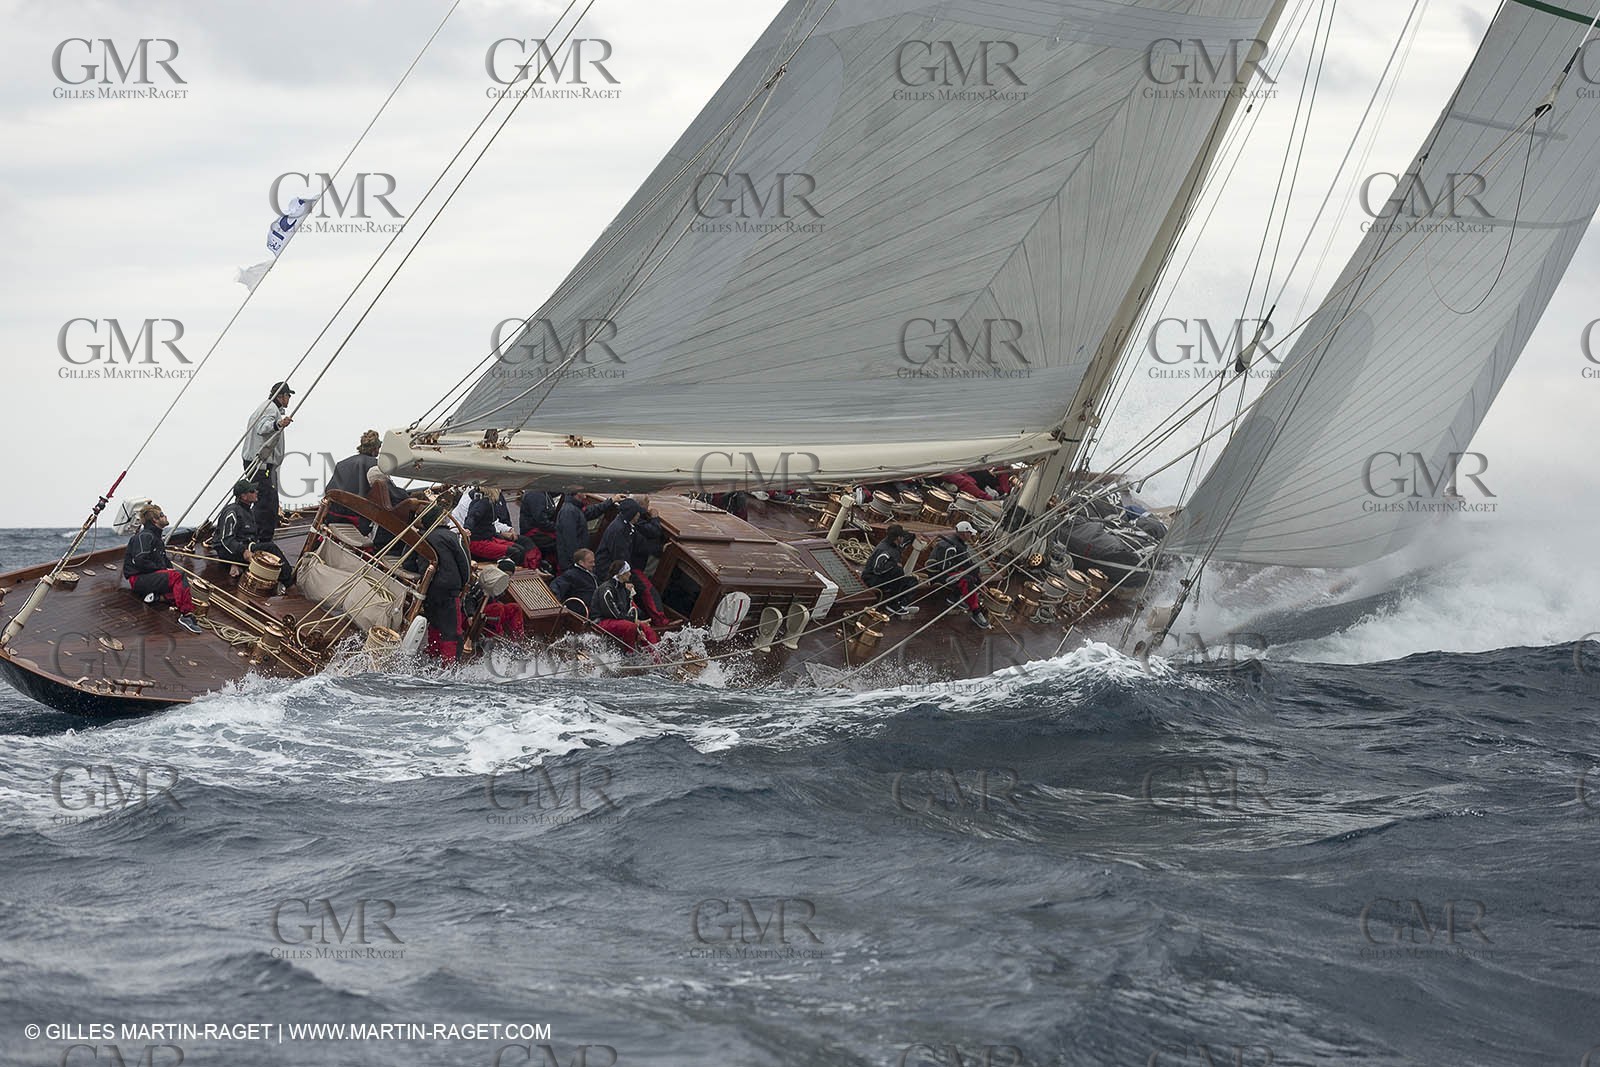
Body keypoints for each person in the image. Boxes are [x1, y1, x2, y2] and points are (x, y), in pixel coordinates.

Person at [123, 504, 203, 634]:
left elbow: (164, 562)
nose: (165, 516)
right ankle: (186, 616)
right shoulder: (145, 536)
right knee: (179, 576)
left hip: (149, 577)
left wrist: (167, 570)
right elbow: (140, 561)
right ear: (154, 520)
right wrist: (167, 571)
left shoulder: (157, 538)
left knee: (182, 588)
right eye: (161, 515)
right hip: (138, 579)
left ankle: (156, 597)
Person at [596, 498, 669, 626]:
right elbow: (619, 556)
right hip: (614, 570)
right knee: (646, 589)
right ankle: (659, 622)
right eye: (637, 514)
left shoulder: (627, 526)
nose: (639, 516)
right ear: (632, 515)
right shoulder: (619, 530)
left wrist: (658, 549)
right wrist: (627, 580)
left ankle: (640, 620)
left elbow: (639, 546)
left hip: (622, 569)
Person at [213, 478, 294, 588]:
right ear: (244, 496)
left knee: (268, 550)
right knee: (271, 547)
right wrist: (244, 551)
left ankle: (237, 565)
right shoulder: (231, 512)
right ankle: (290, 581)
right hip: (229, 551)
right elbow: (227, 540)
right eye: (252, 491)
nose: (256, 492)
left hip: (245, 546)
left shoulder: (248, 511)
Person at [418, 504, 472, 665]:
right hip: (449, 590)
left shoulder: (421, 538)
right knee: (451, 631)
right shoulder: (452, 537)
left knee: (434, 626)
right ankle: (449, 668)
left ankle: (431, 660)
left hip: (429, 590)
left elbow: (409, 563)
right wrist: (464, 584)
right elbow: (465, 565)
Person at [242, 381, 294, 542]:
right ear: (281, 396)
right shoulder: (271, 410)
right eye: (288, 395)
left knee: (261, 501)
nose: (289, 399)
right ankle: (262, 541)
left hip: (256, 462)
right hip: (260, 465)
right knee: (267, 504)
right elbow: (262, 428)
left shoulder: (266, 407)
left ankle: (255, 535)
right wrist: (278, 424)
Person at [325, 430, 404, 529]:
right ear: (375, 448)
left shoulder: (341, 464)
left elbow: (329, 489)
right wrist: (405, 496)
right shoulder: (375, 466)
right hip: (355, 518)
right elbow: (389, 491)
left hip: (332, 514)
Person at [928, 521, 990, 629]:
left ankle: (954, 598)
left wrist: (978, 580)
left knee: (971, 573)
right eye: (970, 533)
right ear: (964, 533)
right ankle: (976, 611)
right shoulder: (955, 546)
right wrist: (978, 582)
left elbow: (967, 565)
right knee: (968, 580)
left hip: (943, 573)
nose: (971, 535)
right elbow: (956, 567)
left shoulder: (955, 542)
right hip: (941, 576)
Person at [591, 561, 659, 650]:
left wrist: (639, 625)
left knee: (647, 630)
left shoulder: (624, 589)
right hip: (602, 621)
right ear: (621, 574)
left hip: (620, 620)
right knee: (631, 626)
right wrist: (634, 621)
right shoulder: (606, 589)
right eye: (628, 572)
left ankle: (654, 656)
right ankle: (629, 654)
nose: (630, 574)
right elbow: (613, 614)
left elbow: (628, 610)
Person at [861, 524, 920, 617]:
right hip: (872, 578)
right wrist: (894, 565)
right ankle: (892, 604)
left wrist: (916, 536)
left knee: (912, 581)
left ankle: (902, 604)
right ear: (898, 538)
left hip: (882, 577)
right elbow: (877, 569)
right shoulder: (884, 550)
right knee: (898, 572)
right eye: (902, 536)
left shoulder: (894, 544)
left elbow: (908, 539)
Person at [554, 489, 616, 574]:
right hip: (572, 565)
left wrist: (611, 501)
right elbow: (570, 541)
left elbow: (590, 512)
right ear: (577, 493)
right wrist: (579, 563)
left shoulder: (575, 508)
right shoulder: (569, 512)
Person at [466, 488, 533, 566]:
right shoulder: (482, 503)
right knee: (515, 552)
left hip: (488, 537)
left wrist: (508, 529)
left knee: (521, 549)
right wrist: (467, 528)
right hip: (478, 542)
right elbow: (472, 517)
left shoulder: (490, 502)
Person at [549, 547, 600, 614]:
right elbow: (555, 586)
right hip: (581, 613)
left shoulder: (592, 575)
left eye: (593, 561)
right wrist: (559, 605)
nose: (594, 564)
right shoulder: (571, 575)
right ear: (581, 562)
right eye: (590, 562)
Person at [518, 489, 560, 559]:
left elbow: (555, 492)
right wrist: (558, 527)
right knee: (561, 540)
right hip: (533, 532)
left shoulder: (543, 492)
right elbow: (541, 522)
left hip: (540, 529)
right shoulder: (535, 495)